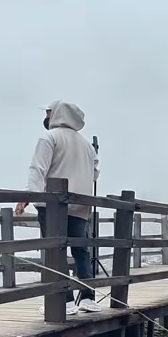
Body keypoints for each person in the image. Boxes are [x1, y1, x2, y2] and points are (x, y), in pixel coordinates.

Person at [15, 100, 100, 315]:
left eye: (48, 113)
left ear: (57, 115)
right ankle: (88, 298)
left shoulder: (49, 137)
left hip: (52, 205)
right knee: (81, 250)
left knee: (56, 251)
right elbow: (95, 172)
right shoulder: (86, 145)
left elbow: (38, 169)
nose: (46, 117)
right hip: (80, 205)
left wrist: (30, 195)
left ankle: (65, 300)